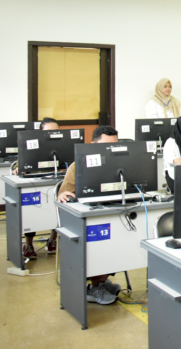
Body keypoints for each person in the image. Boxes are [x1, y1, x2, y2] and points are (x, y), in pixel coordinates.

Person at [56, 125, 121, 305]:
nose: (109, 150)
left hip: (113, 214)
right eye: (104, 145)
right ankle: (95, 286)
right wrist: (62, 195)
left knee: (124, 236)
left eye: (113, 145)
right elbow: (64, 192)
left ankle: (100, 281)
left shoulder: (121, 165)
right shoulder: (79, 165)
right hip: (86, 219)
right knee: (104, 239)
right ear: (93, 144)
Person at [20, 117, 60, 260]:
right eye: (49, 131)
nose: (52, 134)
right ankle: (29, 244)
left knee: (58, 210)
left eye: (56, 131)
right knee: (32, 212)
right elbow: (22, 163)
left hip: (55, 181)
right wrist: (19, 169)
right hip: (35, 183)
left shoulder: (63, 145)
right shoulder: (32, 144)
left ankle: (52, 240)